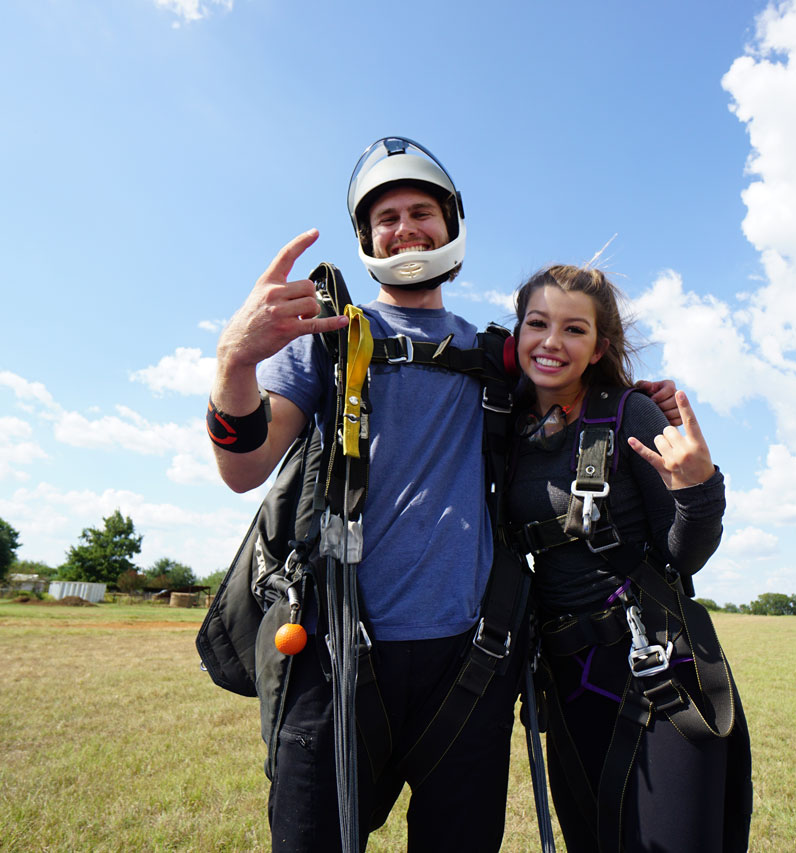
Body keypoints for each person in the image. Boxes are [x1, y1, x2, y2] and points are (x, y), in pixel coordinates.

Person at [207, 138, 681, 852]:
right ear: (367, 238)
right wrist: (234, 359)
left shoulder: (501, 357)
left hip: (472, 663)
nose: (405, 229)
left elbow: (577, 384)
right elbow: (244, 464)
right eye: (386, 217)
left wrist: (636, 396)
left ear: (449, 222)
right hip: (333, 660)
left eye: (420, 211)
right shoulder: (328, 341)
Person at [505, 265, 753, 852]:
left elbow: (683, 554)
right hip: (566, 680)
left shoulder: (629, 415)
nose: (551, 342)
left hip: (655, 665)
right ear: (516, 336)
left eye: (574, 329)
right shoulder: (499, 423)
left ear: (599, 348)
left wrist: (698, 491)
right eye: (537, 324)